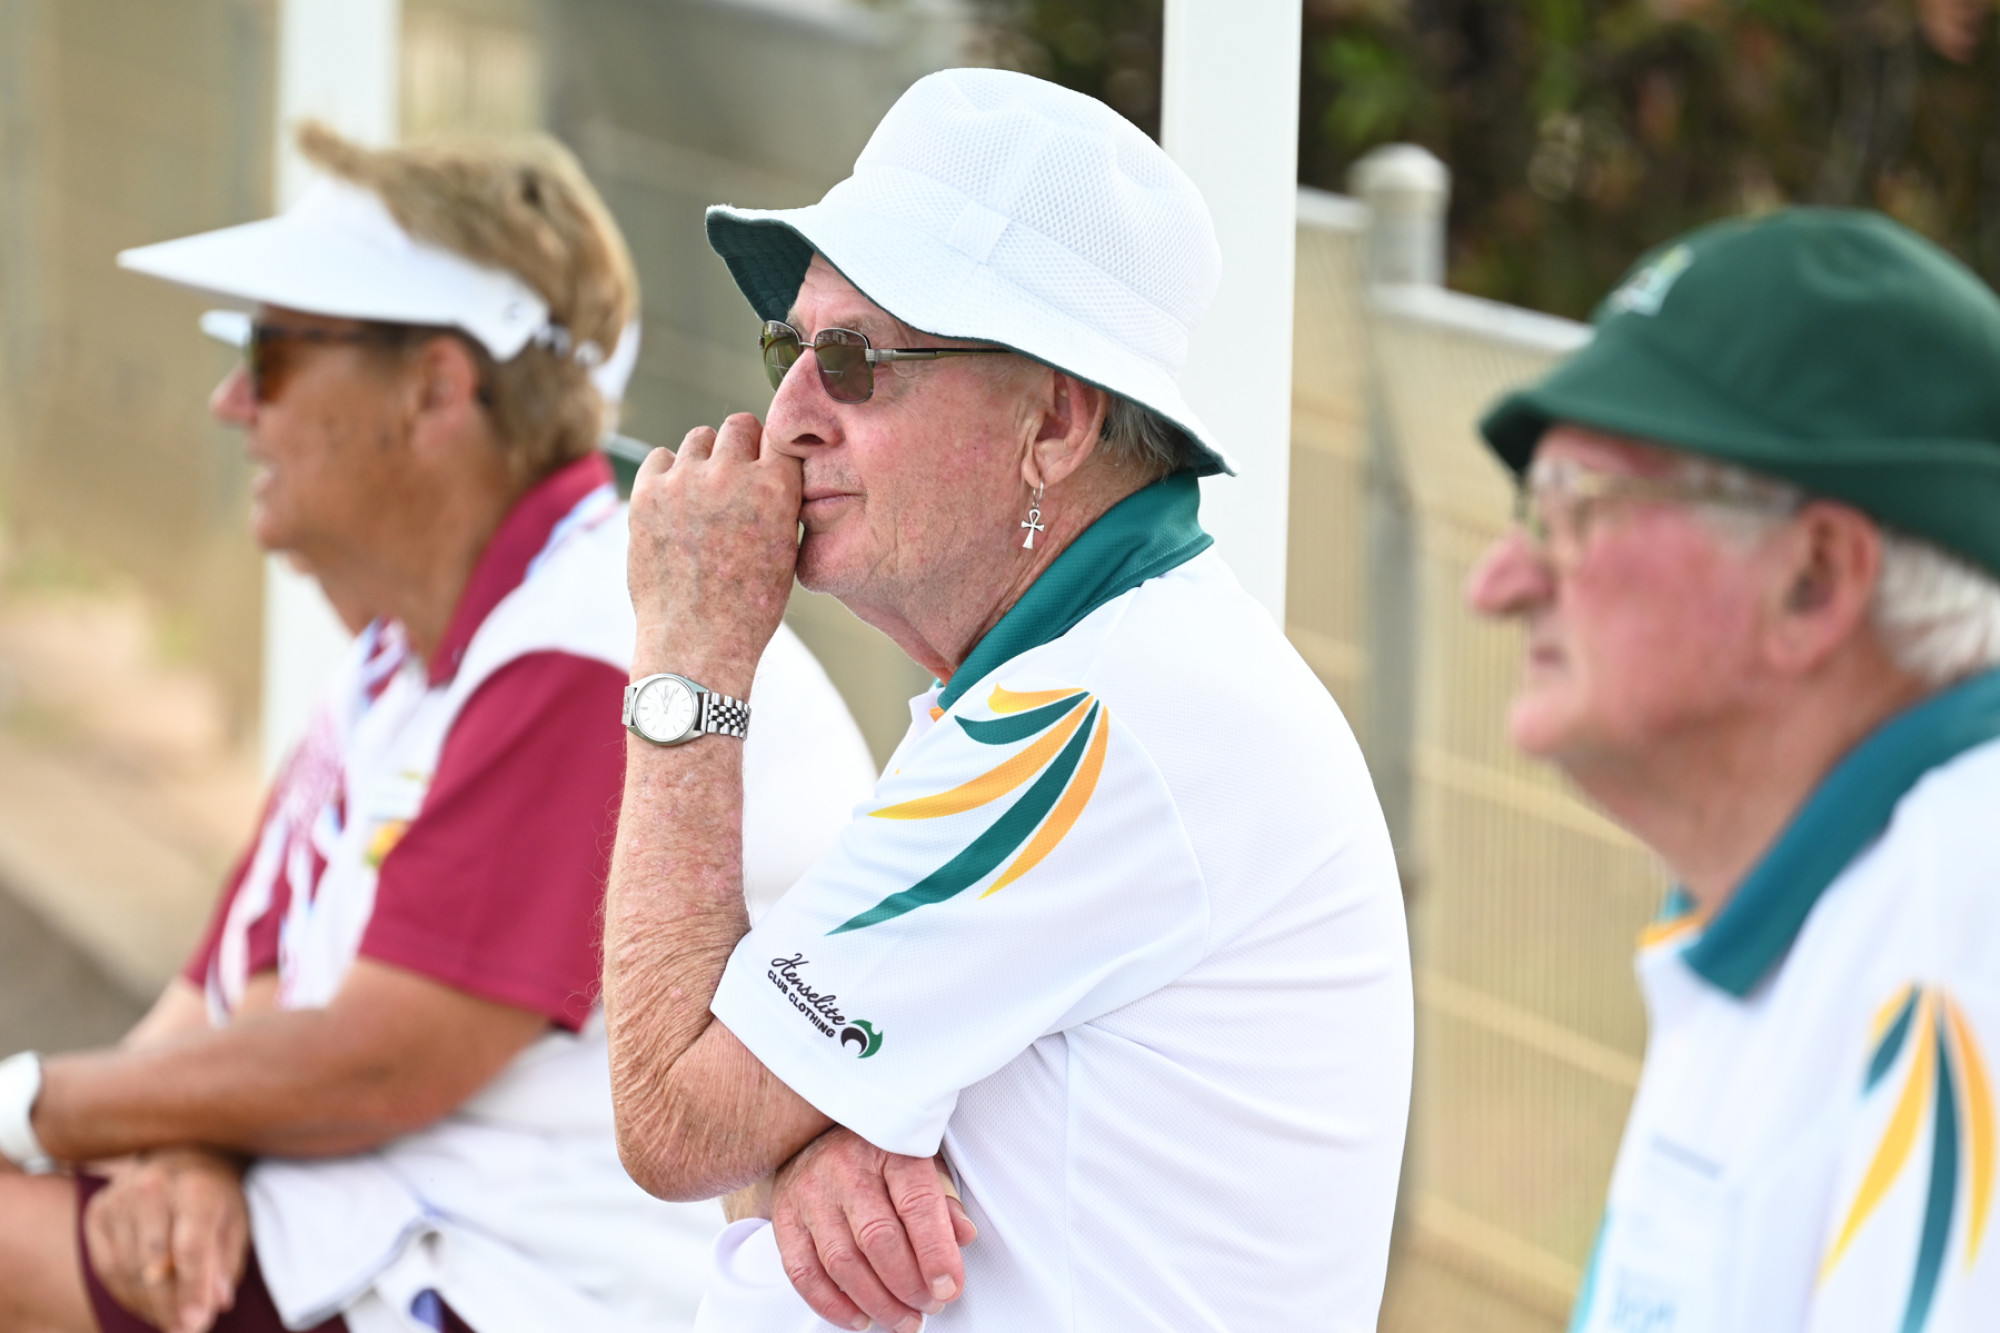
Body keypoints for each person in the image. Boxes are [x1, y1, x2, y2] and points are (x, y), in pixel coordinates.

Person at [0, 125, 877, 1333]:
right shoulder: (416, 643)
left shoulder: (591, 644)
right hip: (390, 1230)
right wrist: (183, 1144)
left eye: (271, 354)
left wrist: (30, 1107)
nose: (231, 402)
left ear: (434, 390)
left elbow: (382, 1058)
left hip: (521, 1287)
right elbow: (239, 989)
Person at [601, 67, 1413, 1333]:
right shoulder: (1087, 673)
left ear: (1055, 426)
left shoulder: (1089, 721)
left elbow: (673, 1116)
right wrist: (802, 1142)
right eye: (788, 349)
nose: (789, 416)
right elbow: (732, 1115)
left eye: (854, 362)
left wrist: (689, 658)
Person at [1467, 208, 2000, 1332]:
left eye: (1576, 508)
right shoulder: (1804, 902)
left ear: (1814, 580)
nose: (1500, 581)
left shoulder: (1959, 947)